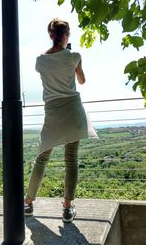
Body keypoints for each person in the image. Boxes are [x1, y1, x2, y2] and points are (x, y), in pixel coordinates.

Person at [24, 18, 98, 223]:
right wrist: (74, 63)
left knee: (41, 158)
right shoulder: (74, 56)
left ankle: (28, 203)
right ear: (66, 35)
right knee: (71, 159)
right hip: (73, 111)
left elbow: (50, 69)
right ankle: (67, 208)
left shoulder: (40, 60)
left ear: (50, 35)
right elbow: (82, 81)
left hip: (53, 112)